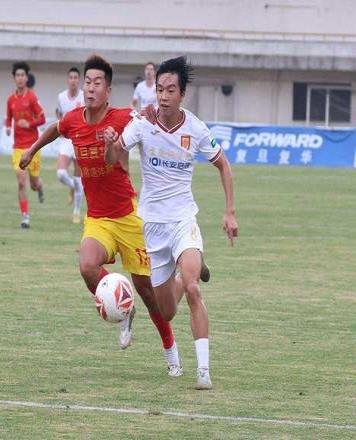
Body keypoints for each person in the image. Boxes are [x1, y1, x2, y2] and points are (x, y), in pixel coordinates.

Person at [20, 54, 183, 377]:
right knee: (86, 266)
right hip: (98, 219)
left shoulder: (121, 118)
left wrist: (153, 115)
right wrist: (32, 149)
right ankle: (123, 306)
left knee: (149, 292)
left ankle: (171, 350)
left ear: (108, 91)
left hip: (129, 217)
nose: (91, 88)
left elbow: (147, 121)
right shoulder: (74, 120)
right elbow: (55, 129)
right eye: (88, 82)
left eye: (98, 83)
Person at [104, 56, 238, 390]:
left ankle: (203, 371)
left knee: (193, 288)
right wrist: (109, 144)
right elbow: (112, 157)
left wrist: (229, 211)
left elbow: (223, 165)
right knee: (167, 311)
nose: (163, 96)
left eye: (170, 90)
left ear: (182, 94)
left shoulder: (196, 129)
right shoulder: (141, 123)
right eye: (159, 90)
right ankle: (192, 265)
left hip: (182, 220)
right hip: (153, 226)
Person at [5, 61, 46, 229]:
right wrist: (8, 127)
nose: (20, 78)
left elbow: (42, 118)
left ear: (27, 78)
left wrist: (29, 124)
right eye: (17, 75)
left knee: (33, 184)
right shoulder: (10, 100)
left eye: (23, 75)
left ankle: (40, 186)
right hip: (18, 147)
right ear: (14, 78)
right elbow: (8, 117)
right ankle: (25, 217)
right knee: (21, 181)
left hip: (33, 147)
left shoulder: (32, 98)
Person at [55, 67, 85, 224]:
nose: (73, 80)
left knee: (78, 176)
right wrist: (60, 126)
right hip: (66, 140)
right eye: (71, 77)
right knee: (61, 173)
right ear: (68, 80)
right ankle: (73, 186)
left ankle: (77, 211)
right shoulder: (61, 97)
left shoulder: (84, 96)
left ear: (79, 80)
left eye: (75, 77)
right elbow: (59, 113)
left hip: (80, 140)